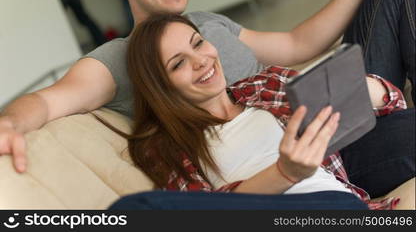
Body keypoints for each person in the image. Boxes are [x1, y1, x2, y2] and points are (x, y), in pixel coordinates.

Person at [0, 0, 414, 200]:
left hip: (316, 115)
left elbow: (295, 44)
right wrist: (11, 124)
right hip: (297, 160)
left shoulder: (208, 25)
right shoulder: (119, 60)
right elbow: (48, 100)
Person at [102, 13, 406, 209]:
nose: (201, 61)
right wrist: (286, 173)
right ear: (161, 87)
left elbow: (393, 103)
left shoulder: (263, 85)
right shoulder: (167, 146)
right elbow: (209, 213)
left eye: (198, 43)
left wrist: (360, 87)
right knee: (133, 210)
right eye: (178, 63)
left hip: (338, 203)